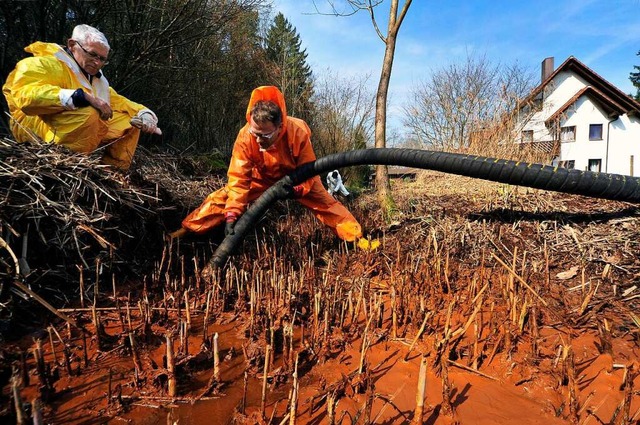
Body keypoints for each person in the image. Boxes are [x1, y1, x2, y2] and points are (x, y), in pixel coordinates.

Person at [171, 85, 363, 243]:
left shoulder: (298, 132)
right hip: (261, 177)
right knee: (221, 199)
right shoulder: (245, 136)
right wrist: (231, 214)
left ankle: (358, 239)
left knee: (327, 206)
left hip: (298, 178)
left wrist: (296, 190)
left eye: (264, 135)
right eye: (255, 134)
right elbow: (238, 179)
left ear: (280, 127)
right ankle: (183, 232)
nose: (258, 140)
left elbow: (310, 170)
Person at [2, 24, 160, 170]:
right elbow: (26, 98)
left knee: (130, 124)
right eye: (92, 54)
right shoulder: (43, 64)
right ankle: (67, 166)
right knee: (90, 113)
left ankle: (114, 173)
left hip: (70, 126)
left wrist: (144, 113)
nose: (97, 62)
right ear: (72, 45)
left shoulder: (96, 80)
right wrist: (81, 96)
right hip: (35, 126)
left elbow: (120, 102)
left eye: (102, 59)